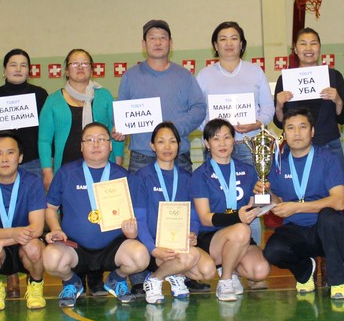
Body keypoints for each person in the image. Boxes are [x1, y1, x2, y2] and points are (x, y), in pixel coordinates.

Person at [43, 123, 150, 306]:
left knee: (141, 256)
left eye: (101, 139)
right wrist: (55, 228)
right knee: (50, 258)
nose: (96, 144)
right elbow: (51, 208)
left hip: (113, 247)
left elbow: (135, 214)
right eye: (90, 140)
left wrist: (133, 232)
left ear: (110, 146)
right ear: (81, 146)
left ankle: (117, 278)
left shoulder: (123, 176)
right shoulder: (66, 173)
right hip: (75, 247)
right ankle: (71, 282)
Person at [195, 20, 275, 248]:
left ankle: (251, 251)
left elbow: (268, 108)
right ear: (215, 45)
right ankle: (223, 252)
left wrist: (256, 123)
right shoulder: (204, 75)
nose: (229, 43)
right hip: (216, 150)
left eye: (234, 38)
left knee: (253, 203)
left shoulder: (255, 71)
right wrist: (216, 133)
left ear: (242, 43)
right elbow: (198, 113)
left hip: (249, 147)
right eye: (223, 39)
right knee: (219, 201)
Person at [260, 108, 344, 299]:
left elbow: (339, 201)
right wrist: (266, 192)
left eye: (303, 127)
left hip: (324, 232)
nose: (297, 133)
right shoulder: (278, 163)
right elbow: (278, 202)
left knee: (330, 218)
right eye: (290, 128)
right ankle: (305, 270)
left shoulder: (328, 158)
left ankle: (338, 282)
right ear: (284, 134)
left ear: (312, 131)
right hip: (295, 230)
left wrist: (297, 207)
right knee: (272, 252)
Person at [0, 48, 48, 298]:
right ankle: (10, 275)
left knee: (28, 218)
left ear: (29, 70)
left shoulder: (40, 95)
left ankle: (31, 276)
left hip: (32, 163)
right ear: (4, 70)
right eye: (13, 64)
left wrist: (47, 167)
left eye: (23, 65)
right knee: (3, 217)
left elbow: (46, 132)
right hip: (3, 163)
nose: (18, 69)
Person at [133, 122, 217, 304]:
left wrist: (193, 233)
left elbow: (194, 215)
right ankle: (154, 279)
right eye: (161, 141)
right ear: (152, 146)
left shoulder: (187, 177)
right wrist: (153, 249)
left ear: (179, 145)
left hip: (178, 243)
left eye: (172, 141)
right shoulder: (142, 176)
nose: (167, 147)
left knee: (208, 271)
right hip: (153, 245)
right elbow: (139, 219)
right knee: (191, 256)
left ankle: (175, 274)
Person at [190, 119, 270, 302]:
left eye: (227, 137)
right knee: (242, 229)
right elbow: (204, 218)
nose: (222, 143)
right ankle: (226, 280)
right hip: (211, 238)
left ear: (234, 140)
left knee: (260, 270)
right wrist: (237, 217)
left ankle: (231, 268)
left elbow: (255, 205)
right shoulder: (200, 175)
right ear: (207, 144)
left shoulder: (248, 170)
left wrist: (264, 195)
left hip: (240, 237)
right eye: (216, 139)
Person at [116, 20, 206, 173]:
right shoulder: (130, 76)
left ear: (171, 43)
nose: (158, 42)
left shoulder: (184, 76)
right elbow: (120, 113)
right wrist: (118, 127)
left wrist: (174, 128)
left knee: (181, 190)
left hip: (178, 154)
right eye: (152, 38)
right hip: (142, 156)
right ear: (143, 44)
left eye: (163, 38)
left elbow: (199, 108)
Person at [0, 131, 47, 311]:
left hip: (24, 244)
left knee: (35, 247)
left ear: (20, 157)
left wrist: (2, 241)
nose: (4, 159)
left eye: (10, 153)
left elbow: (37, 229)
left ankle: (36, 286)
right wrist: (10, 234)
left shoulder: (32, 182)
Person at [39, 48, 123, 191]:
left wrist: (118, 166)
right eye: (74, 63)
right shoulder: (53, 101)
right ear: (66, 71)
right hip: (66, 168)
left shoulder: (105, 95)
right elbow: (44, 140)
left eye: (85, 63)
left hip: (104, 168)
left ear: (91, 69)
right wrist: (47, 172)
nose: (80, 67)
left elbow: (116, 132)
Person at [273, 28, 344, 171]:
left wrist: (338, 101)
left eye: (313, 43)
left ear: (319, 47)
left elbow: (343, 118)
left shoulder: (334, 76)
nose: (308, 48)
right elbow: (279, 122)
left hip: (329, 145)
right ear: (295, 49)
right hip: (296, 147)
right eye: (303, 44)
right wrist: (278, 106)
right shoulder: (285, 80)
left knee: (336, 184)